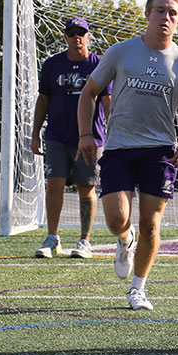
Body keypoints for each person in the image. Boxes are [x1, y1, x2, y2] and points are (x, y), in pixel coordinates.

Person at [76, 0, 178, 311]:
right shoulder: (121, 52)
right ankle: (125, 240)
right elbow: (89, 93)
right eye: (160, 10)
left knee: (151, 223)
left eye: (173, 13)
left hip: (160, 152)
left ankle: (138, 289)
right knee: (115, 219)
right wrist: (85, 134)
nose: (166, 17)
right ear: (148, 14)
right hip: (119, 148)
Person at [30, 17, 111, 259]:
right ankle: (52, 237)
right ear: (65, 37)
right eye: (72, 33)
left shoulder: (100, 63)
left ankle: (85, 240)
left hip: (90, 137)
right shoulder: (52, 65)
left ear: (88, 36)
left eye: (81, 33)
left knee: (86, 188)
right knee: (54, 183)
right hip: (56, 135)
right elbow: (43, 99)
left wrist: (115, 131)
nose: (77, 36)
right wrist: (35, 134)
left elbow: (107, 101)